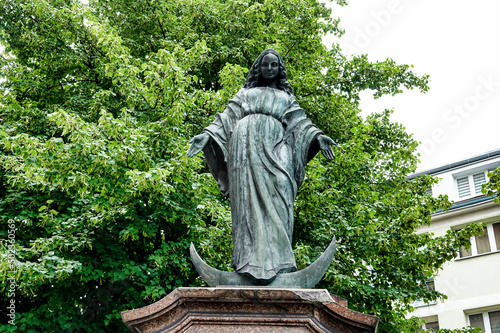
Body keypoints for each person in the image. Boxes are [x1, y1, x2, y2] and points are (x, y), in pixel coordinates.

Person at [187, 49, 335, 284]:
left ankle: (280, 264)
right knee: (246, 207)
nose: (269, 69)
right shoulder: (245, 94)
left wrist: (318, 136)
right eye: (265, 65)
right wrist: (206, 136)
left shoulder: (286, 99)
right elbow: (225, 118)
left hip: (277, 149)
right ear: (258, 67)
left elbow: (301, 123)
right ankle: (248, 263)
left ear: (279, 69)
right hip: (245, 150)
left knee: (281, 195)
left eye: (273, 65)